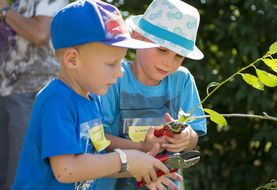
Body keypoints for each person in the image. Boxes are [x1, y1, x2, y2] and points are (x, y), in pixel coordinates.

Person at [12, 1, 183, 189]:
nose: (120, 72)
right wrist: (127, 160)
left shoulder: (93, 99)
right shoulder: (57, 101)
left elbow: (95, 163)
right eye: (111, 63)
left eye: (121, 62)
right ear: (72, 59)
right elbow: (66, 169)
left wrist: (141, 167)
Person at [99, 0, 207, 189]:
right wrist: (143, 148)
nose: (168, 63)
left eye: (178, 56)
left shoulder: (182, 80)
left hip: (166, 184)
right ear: (137, 37)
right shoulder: (115, 78)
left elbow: (194, 138)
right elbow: (99, 138)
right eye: (162, 50)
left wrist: (185, 137)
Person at [0, 0, 68, 189]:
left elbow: (40, 34)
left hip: (32, 92)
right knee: (5, 171)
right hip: (7, 93)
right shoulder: (16, 5)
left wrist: (4, 10)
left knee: (20, 171)